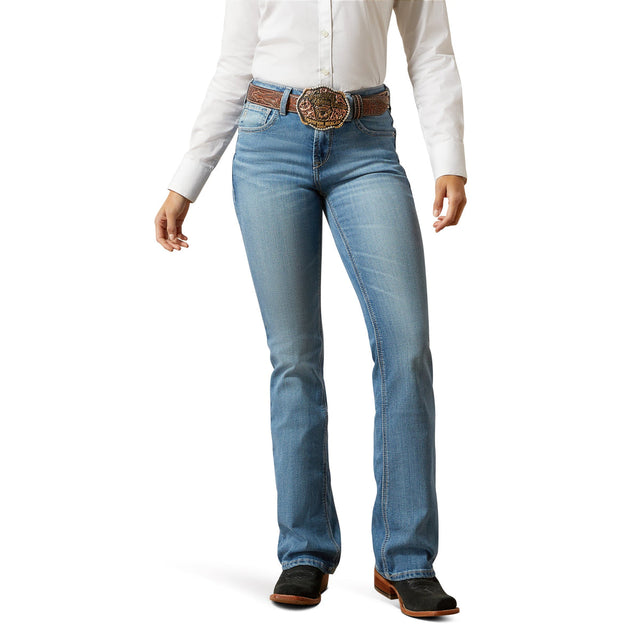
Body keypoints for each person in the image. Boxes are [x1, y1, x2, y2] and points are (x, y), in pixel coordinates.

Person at [154, 0, 467, 618]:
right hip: (268, 148)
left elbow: (430, 52)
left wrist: (449, 161)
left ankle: (406, 558)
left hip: (367, 148)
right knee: (294, 357)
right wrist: (186, 180)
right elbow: (235, 63)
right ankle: (305, 550)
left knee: (406, 348)